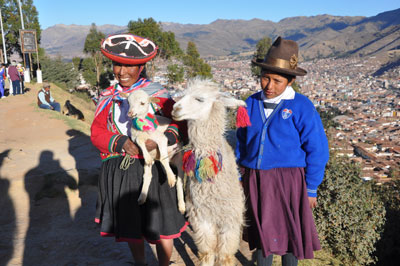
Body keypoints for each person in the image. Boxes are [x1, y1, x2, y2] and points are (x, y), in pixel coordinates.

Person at [91, 33, 187, 266]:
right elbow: (97, 132)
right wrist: (122, 142)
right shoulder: (108, 97)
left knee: (162, 223)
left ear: (141, 67)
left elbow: (179, 122)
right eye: (117, 65)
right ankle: (140, 263)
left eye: (129, 66)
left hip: (156, 167)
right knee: (132, 226)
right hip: (125, 171)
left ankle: (164, 263)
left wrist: (164, 137)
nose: (121, 71)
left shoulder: (157, 94)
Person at [235, 37, 329, 266]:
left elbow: (317, 149)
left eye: (277, 80)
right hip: (255, 179)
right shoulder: (250, 103)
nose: (269, 86)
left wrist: (311, 188)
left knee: (290, 235)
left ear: (290, 81)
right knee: (261, 233)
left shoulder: (301, 106)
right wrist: (239, 174)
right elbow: (241, 140)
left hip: (289, 182)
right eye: (265, 78)